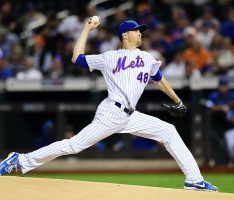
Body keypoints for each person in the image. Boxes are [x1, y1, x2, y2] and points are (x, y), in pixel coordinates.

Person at [0, 17, 217, 191]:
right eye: (136, 30)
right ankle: (21, 160)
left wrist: (177, 100)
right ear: (125, 35)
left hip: (131, 115)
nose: (140, 33)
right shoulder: (110, 57)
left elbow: (159, 79)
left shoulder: (148, 58)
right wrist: (87, 28)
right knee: (74, 145)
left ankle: (194, 180)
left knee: (168, 130)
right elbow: (77, 58)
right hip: (111, 113)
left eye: (141, 30)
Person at [206, 77, 234, 165]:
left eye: (225, 86)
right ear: (219, 87)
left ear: (228, 86)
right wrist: (221, 107)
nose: (223, 88)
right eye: (222, 86)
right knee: (231, 146)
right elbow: (208, 106)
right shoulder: (214, 95)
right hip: (221, 126)